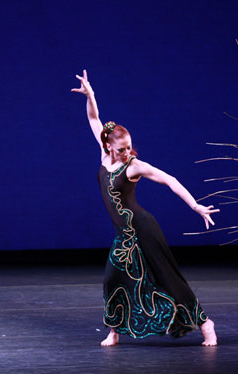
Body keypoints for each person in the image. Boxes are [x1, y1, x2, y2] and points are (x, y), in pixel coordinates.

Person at [72, 70, 219, 346]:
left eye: (129, 147)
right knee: (113, 278)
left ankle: (205, 323)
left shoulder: (135, 166)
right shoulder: (105, 156)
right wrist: (91, 95)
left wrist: (195, 205)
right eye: (122, 149)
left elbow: (170, 180)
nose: (127, 152)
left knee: (167, 277)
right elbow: (94, 118)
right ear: (108, 146)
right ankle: (114, 331)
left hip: (143, 229)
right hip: (125, 235)